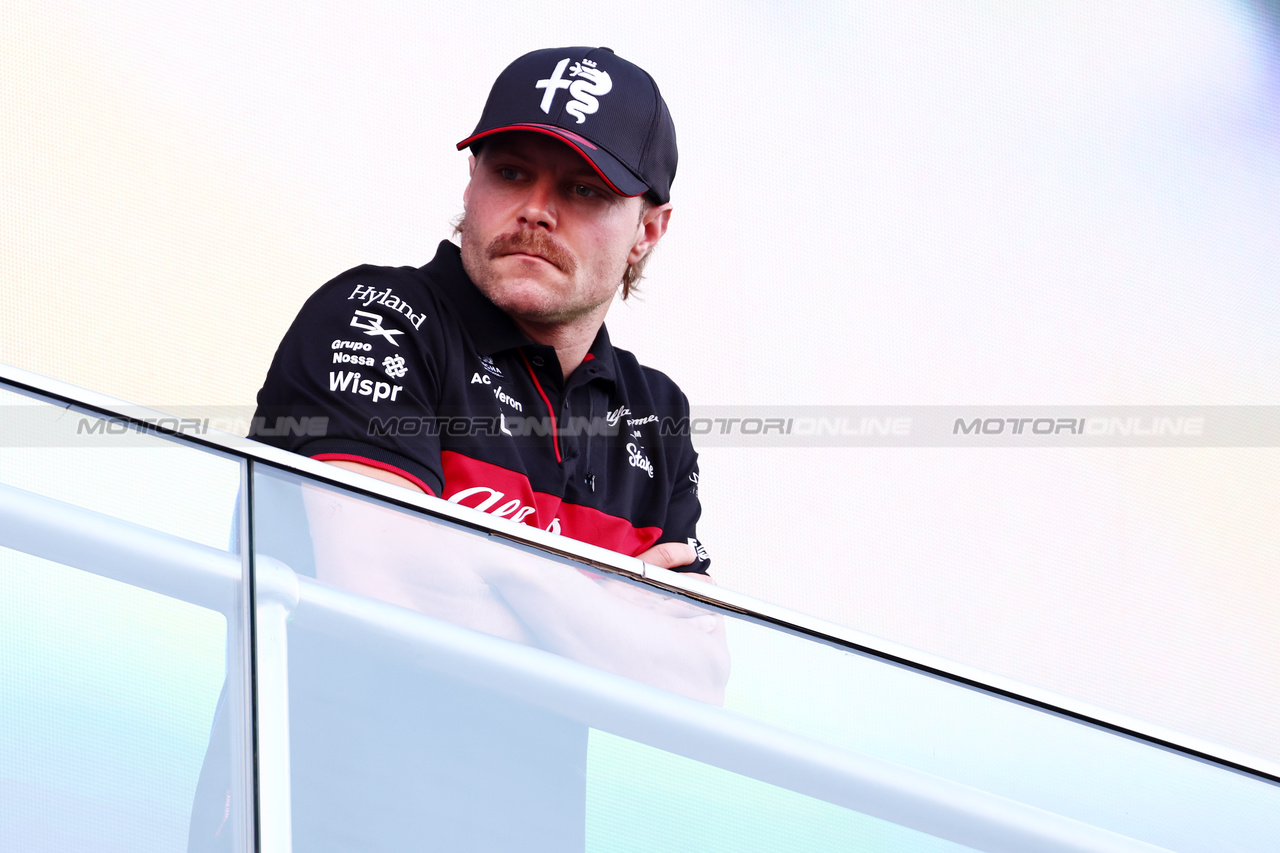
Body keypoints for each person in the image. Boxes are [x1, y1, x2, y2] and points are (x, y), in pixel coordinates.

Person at [191, 47, 725, 853]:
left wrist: (487, 559)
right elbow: (385, 588)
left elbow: (692, 685)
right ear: (472, 185)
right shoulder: (374, 316)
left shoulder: (654, 416)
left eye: (583, 190)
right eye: (512, 173)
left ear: (649, 229)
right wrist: (593, 589)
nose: (537, 210)